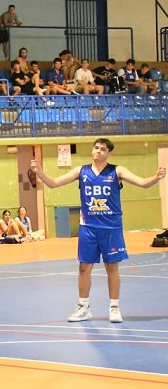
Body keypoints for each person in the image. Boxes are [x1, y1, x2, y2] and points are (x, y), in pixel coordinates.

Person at [31, 138, 165, 323]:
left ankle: (114, 307)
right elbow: (53, 183)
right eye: (96, 148)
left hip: (111, 227)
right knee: (84, 267)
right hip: (88, 228)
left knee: (112, 267)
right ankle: (83, 307)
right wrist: (39, 172)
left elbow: (142, 183)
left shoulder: (117, 171)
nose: (98, 151)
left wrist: (156, 177)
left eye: (103, 149)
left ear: (110, 153)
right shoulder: (81, 171)